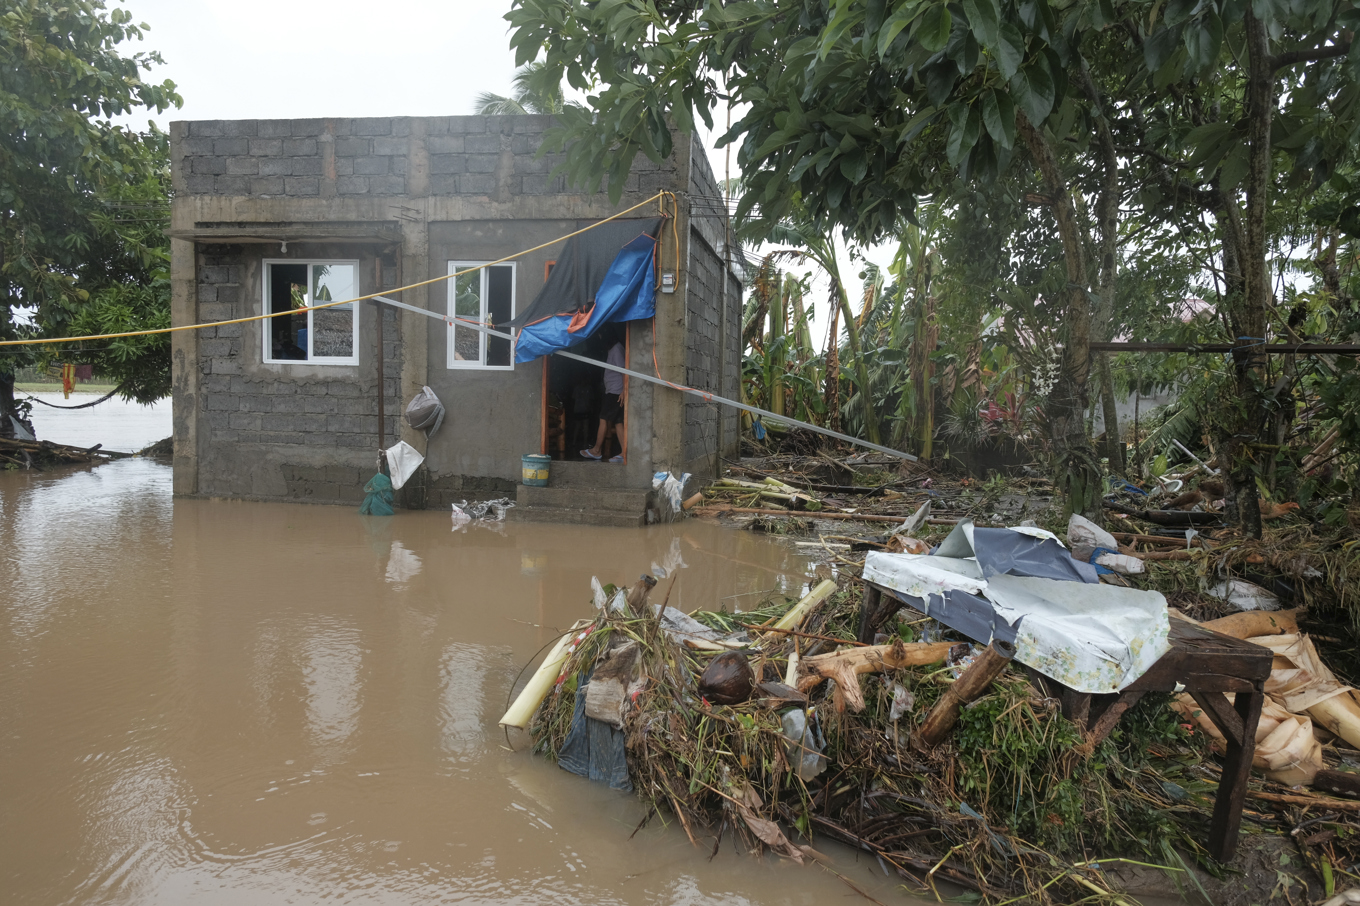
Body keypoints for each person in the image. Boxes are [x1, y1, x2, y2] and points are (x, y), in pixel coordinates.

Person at [581, 333, 625, 462]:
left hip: (615, 391)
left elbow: (624, 371)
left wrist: (624, 390)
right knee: (617, 421)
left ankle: (596, 450)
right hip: (614, 390)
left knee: (603, 419)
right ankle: (624, 453)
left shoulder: (616, 349)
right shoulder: (614, 349)